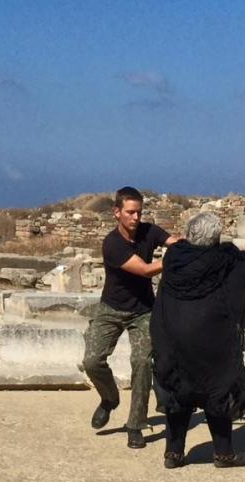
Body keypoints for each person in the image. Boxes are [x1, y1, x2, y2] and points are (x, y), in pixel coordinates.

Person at [150, 213, 245, 468]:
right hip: (211, 340)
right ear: (215, 238)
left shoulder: (174, 257)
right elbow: (240, 273)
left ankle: (173, 453)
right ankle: (224, 454)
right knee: (217, 390)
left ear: (189, 234)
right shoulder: (225, 259)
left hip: (171, 335)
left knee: (178, 392)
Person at [82, 186, 179, 449]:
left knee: (142, 362)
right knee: (92, 361)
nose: (136, 217)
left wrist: (187, 246)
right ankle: (109, 398)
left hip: (143, 310)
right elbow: (146, 270)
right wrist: (172, 260)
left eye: (139, 212)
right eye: (130, 212)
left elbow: (173, 242)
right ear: (117, 212)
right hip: (111, 309)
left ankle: (136, 424)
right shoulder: (112, 243)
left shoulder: (150, 231)